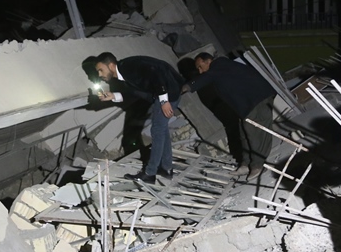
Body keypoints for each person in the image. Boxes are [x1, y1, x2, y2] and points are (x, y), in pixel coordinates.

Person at [93, 52, 184, 184]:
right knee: (161, 129)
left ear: (111, 66)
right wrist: (113, 96)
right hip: (166, 92)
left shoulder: (128, 67)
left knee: (157, 130)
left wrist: (164, 101)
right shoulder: (123, 76)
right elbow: (134, 94)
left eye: (101, 70)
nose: (100, 75)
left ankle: (150, 174)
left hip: (168, 91)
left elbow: (156, 71)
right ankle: (166, 168)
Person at [183, 53, 276, 177]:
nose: (200, 71)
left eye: (200, 67)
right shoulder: (220, 70)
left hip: (257, 99)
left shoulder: (220, 64)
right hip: (249, 103)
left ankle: (257, 165)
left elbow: (206, 77)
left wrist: (186, 87)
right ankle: (246, 164)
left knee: (255, 133)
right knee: (243, 133)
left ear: (208, 61)